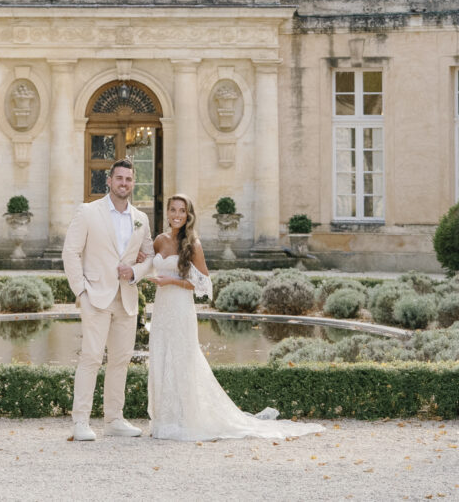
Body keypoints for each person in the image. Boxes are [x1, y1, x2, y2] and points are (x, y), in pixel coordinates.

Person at [146, 194, 326, 441]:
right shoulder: (159, 241)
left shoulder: (193, 244)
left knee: (181, 360)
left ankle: (182, 420)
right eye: (173, 209)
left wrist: (171, 280)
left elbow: (204, 284)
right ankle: (163, 420)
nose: (177, 214)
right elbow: (148, 263)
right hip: (161, 310)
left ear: (189, 215)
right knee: (160, 357)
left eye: (182, 211)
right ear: (167, 212)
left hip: (180, 308)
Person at [62, 158, 154, 441]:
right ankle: (80, 422)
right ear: (110, 181)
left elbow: (150, 256)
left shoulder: (141, 218)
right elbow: (70, 252)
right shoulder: (88, 212)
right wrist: (82, 292)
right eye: (119, 178)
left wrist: (136, 271)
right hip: (96, 297)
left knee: (120, 360)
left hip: (126, 298)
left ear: (132, 183)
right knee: (91, 358)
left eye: (128, 179)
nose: (124, 183)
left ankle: (114, 419)